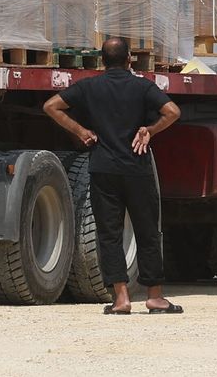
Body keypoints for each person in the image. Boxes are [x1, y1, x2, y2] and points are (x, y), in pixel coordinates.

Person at [43, 36, 182, 314]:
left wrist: (81, 131)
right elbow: (172, 112)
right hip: (137, 168)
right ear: (129, 59)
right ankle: (155, 297)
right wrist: (149, 130)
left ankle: (121, 299)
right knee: (147, 231)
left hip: (103, 168)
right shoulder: (143, 86)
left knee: (109, 234)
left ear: (102, 61)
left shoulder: (89, 86)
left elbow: (51, 106)